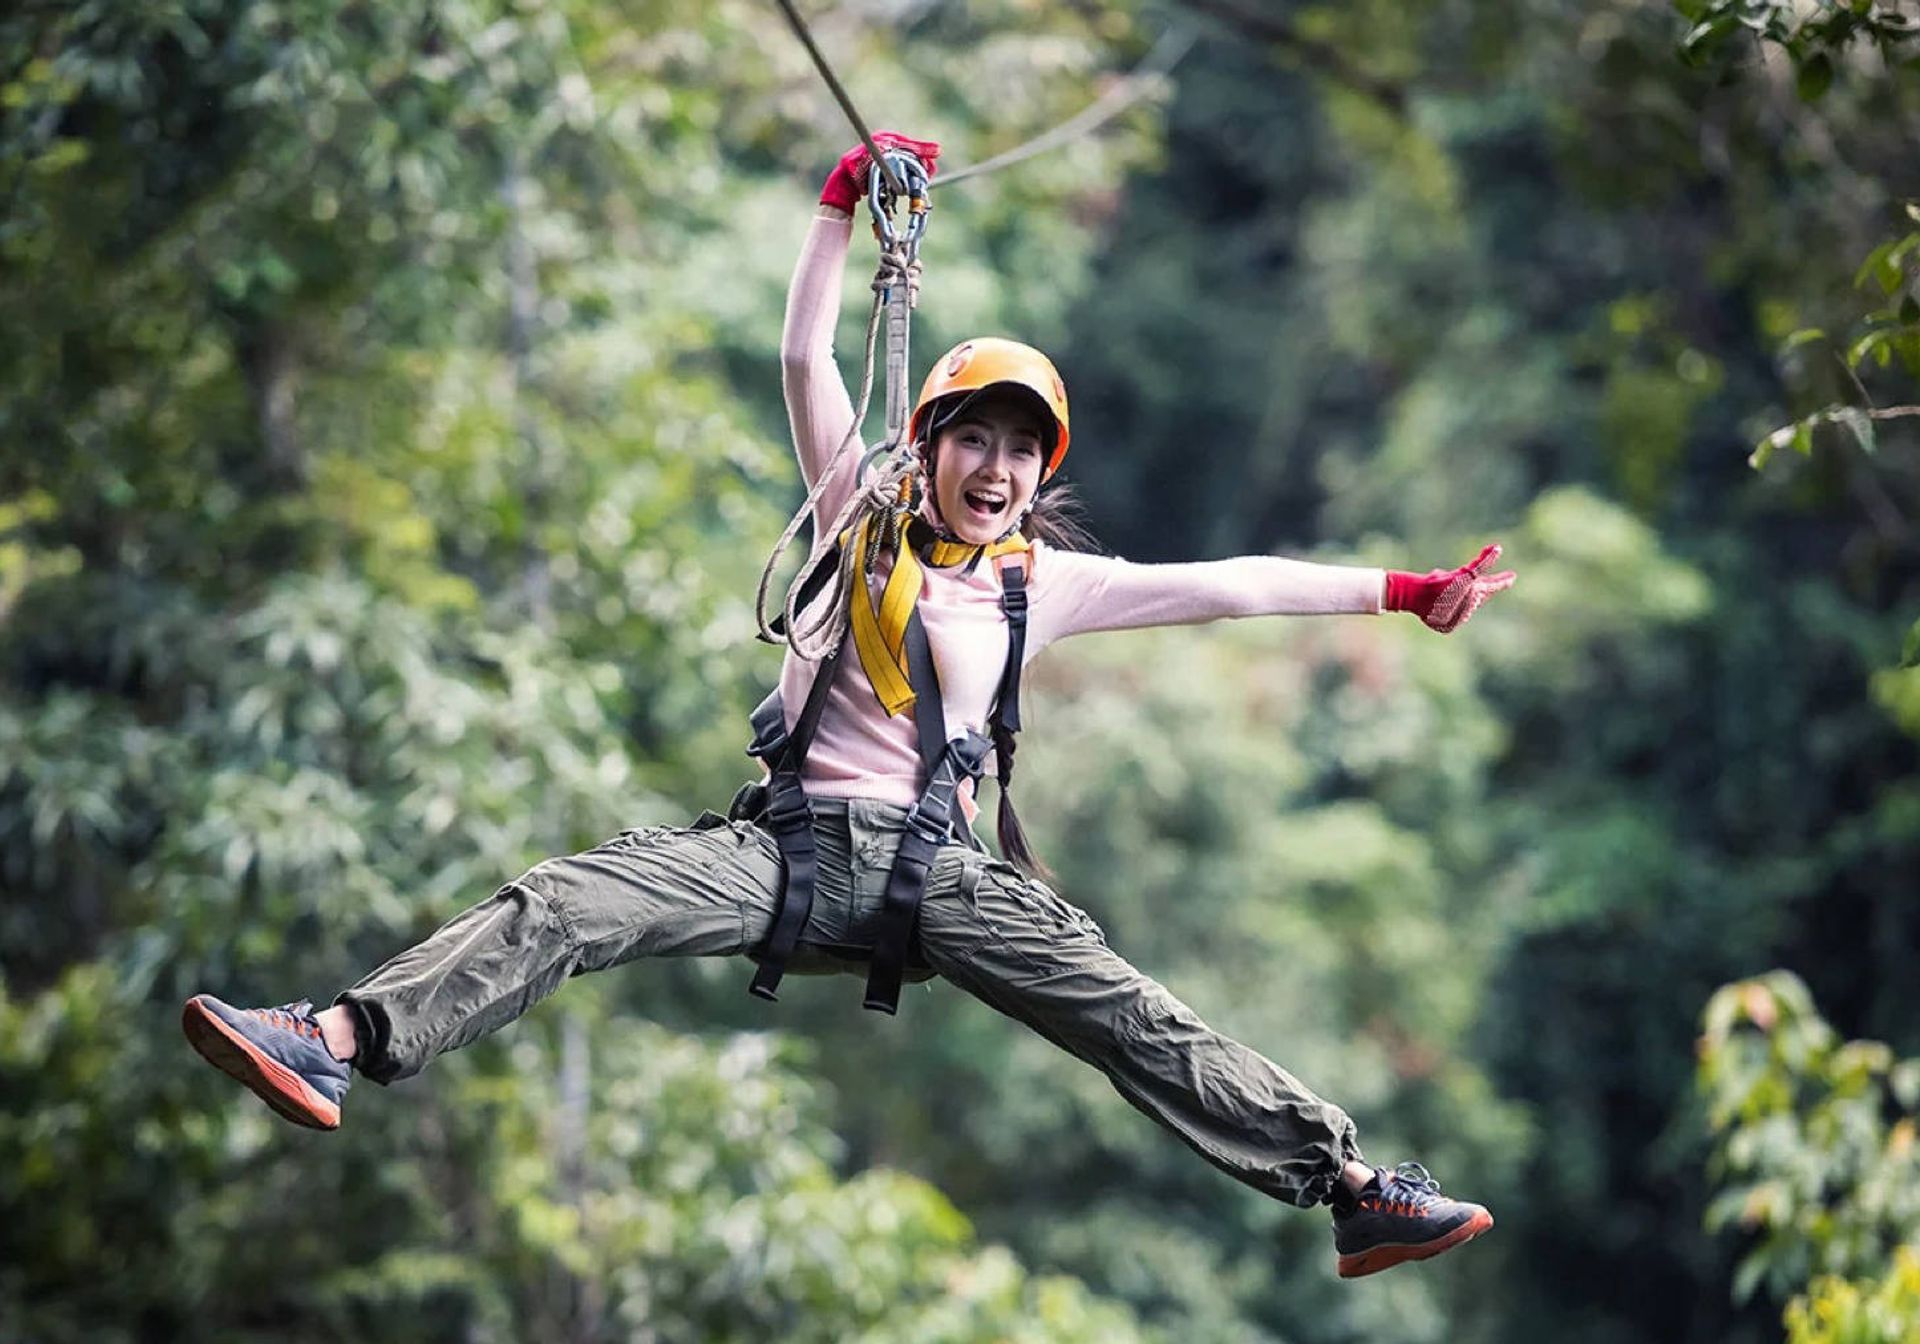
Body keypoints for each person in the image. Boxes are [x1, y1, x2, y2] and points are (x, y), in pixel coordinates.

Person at [183, 132, 1514, 1280]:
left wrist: (1407, 592)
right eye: (973, 438)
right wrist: (837, 206)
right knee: (570, 902)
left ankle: (1353, 1190)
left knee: (1133, 1017)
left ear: (1039, 471)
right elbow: (803, 353)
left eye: (1019, 449)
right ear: (928, 445)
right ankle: (332, 1037)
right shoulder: (851, 516)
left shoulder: (1041, 586)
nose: (994, 468)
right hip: (788, 851)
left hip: (943, 877)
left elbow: (1233, 586)